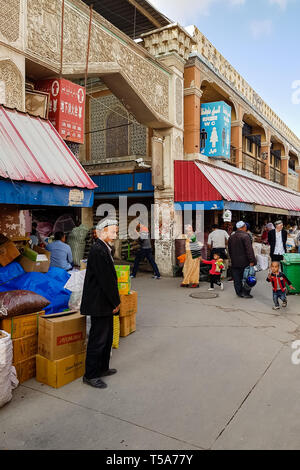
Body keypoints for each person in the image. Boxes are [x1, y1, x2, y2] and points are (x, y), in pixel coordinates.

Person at [80, 219, 120, 389]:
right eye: (113, 231)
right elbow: (106, 281)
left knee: (107, 336)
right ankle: (91, 374)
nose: (115, 234)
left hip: (105, 301)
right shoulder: (98, 250)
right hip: (99, 302)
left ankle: (103, 368)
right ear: (102, 231)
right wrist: (115, 302)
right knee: (98, 339)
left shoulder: (104, 247)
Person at [228, 221, 257, 298]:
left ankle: (239, 292)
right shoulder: (245, 236)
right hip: (244, 261)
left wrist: (232, 259)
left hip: (235, 261)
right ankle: (245, 292)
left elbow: (229, 250)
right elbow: (249, 250)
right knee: (248, 277)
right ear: (243, 227)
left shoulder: (232, 236)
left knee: (237, 278)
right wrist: (252, 261)